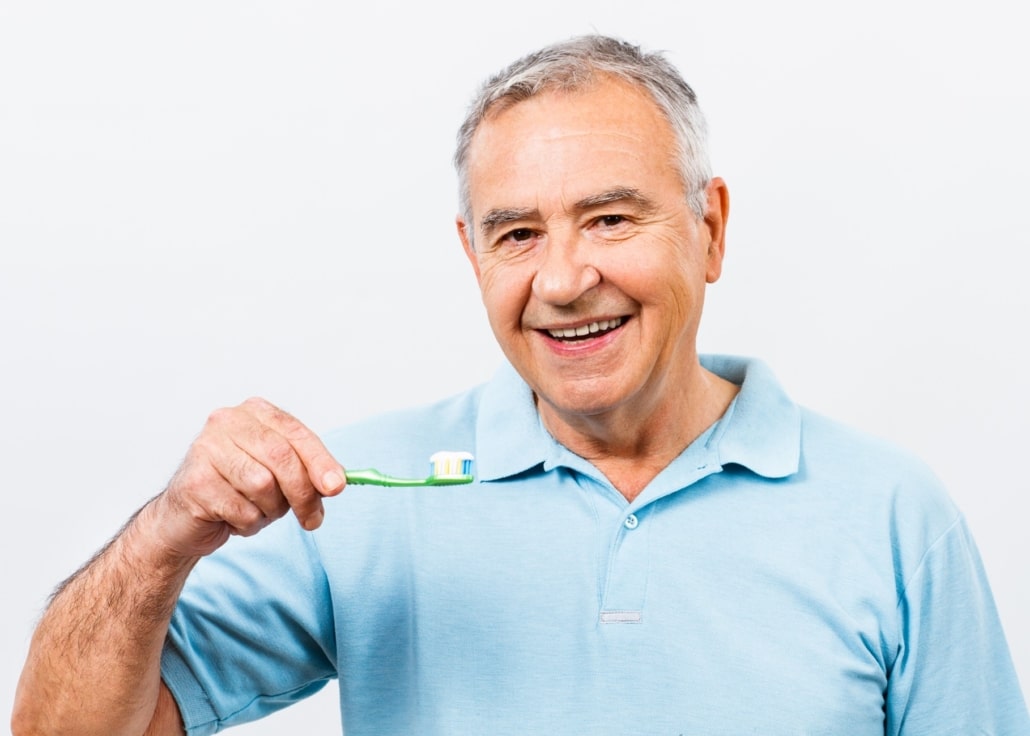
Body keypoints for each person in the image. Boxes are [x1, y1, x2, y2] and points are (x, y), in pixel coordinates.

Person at [12, 34, 1029, 736]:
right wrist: (161, 539)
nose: (562, 277)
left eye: (611, 218)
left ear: (709, 229)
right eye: (517, 234)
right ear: (471, 254)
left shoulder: (892, 515)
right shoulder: (362, 494)